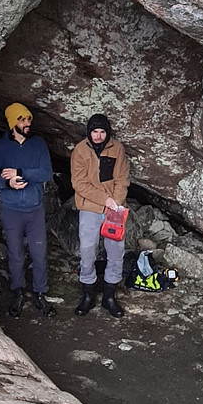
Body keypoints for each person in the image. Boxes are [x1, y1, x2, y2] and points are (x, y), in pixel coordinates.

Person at [0, 103, 55, 317]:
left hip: (35, 209)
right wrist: (8, 184)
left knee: (39, 253)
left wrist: (20, 172)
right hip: (11, 210)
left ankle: (40, 293)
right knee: (15, 253)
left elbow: (46, 173)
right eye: (22, 120)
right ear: (12, 123)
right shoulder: (0, 147)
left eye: (28, 120)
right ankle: (17, 291)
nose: (27, 124)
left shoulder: (38, 143)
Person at [70, 113, 130, 318]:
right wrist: (105, 200)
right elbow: (79, 183)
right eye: (94, 132)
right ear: (89, 132)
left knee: (116, 250)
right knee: (88, 250)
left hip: (114, 209)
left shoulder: (117, 149)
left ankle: (109, 296)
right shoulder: (80, 150)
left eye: (102, 132)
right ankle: (88, 292)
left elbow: (122, 179)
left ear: (108, 132)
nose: (98, 136)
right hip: (90, 207)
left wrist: (116, 203)